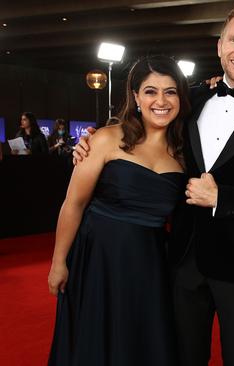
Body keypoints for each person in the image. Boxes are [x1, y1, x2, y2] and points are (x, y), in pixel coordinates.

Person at [72, 4, 234, 365]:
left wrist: (222, 197)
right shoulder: (190, 99)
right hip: (182, 259)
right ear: (219, 45)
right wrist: (92, 140)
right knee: (182, 356)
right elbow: (145, 133)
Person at [47, 55, 189, 365]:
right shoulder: (106, 139)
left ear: (180, 96)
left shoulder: (183, 154)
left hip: (149, 265)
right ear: (136, 96)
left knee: (138, 344)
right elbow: (74, 203)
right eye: (151, 91)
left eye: (171, 91)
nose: (161, 101)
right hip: (98, 258)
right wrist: (59, 261)